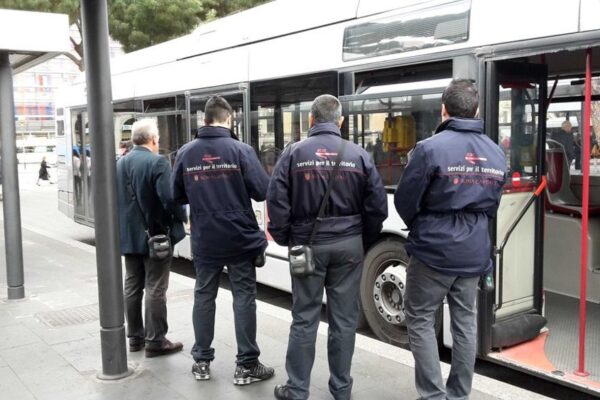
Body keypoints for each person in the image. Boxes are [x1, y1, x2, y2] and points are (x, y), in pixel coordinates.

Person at [267, 94, 388, 400]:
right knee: (344, 320)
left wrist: (286, 237)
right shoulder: (359, 154)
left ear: (311, 119)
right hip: (349, 245)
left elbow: (276, 202)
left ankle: (297, 389)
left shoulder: (293, 153)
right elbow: (377, 206)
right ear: (341, 121)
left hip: (307, 245)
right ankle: (342, 389)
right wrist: (362, 238)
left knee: (304, 317)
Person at [394, 79, 506, 400]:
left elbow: (406, 200)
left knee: (419, 318)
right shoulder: (496, 152)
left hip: (433, 251)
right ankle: (458, 394)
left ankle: (433, 395)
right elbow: (492, 206)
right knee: (465, 322)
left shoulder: (429, 148)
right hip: (474, 252)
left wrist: (423, 226)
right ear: (477, 111)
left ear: (444, 109)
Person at [171, 96, 274, 385]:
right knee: (244, 297)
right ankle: (247, 365)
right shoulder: (241, 150)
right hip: (240, 238)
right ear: (229, 119)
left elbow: (175, 195)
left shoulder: (186, 153)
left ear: (204, 119)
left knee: (204, 295)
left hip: (205, 237)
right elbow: (262, 190)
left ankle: (201, 362)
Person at [116, 118, 187, 358]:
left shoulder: (120, 163)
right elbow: (169, 198)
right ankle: (156, 340)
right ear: (153, 139)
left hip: (129, 236)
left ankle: (135, 338)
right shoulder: (157, 162)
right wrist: (183, 216)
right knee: (155, 286)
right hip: (155, 236)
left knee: (132, 285)